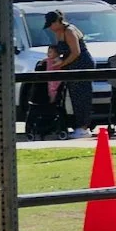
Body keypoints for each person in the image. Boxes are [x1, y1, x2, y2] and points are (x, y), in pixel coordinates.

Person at [43, 10, 93, 138]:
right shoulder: (58, 33)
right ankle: (78, 125)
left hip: (81, 65)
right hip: (70, 67)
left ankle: (84, 127)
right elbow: (60, 51)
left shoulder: (69, 31)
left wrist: (62, 63)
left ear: (57, 22)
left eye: (51, 24)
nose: (50, 28)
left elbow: (76, 52)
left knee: (82, 96)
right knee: (74, 96)